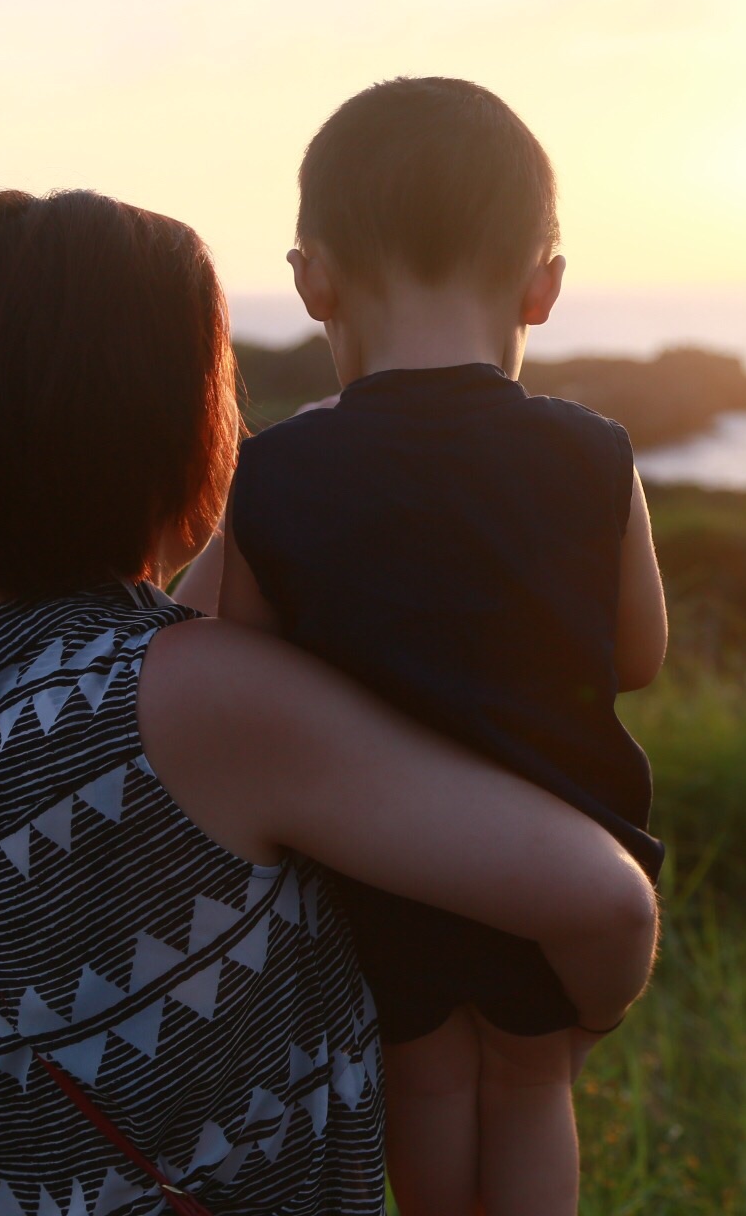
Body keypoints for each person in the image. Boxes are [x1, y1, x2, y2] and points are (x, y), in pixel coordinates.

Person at [0, 188, 657, 1216]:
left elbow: (131, 677)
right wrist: (573, 1028)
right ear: (177, 426)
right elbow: (606, 897)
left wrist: (283, 501)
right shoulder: (209, 705)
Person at [188, 76, 669, 1216]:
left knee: (431, 1072)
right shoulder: (593, 454)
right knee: (528, 1075)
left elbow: (214, 649)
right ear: (544, 286)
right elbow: (639, 652)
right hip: (559, 844)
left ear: (312, 281)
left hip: (378, 862)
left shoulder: (282, 472)